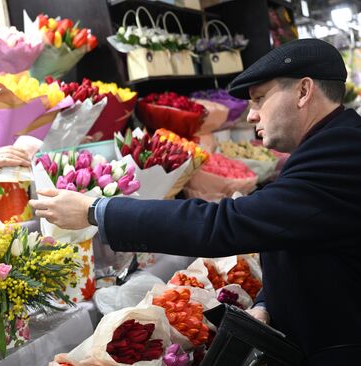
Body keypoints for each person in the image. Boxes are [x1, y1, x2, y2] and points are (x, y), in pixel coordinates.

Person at [30, 38, 361, 365]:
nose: (251, 116)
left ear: (303, 92)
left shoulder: (340, 153)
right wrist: (267, 303)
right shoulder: (329, 144)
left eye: (259, 99)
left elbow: (224, 224)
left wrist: (95, 210)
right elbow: (294, 236)